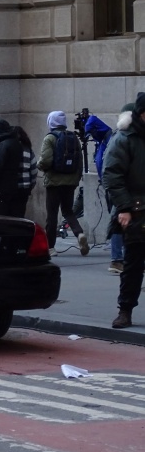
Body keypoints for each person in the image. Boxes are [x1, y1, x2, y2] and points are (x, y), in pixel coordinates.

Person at [102, 92, 145, 329]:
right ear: (141, 114)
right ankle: (125, 309)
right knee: (133, 264)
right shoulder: (124, 139)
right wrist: (124, 207)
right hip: (136, 210)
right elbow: (112, 175)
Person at [38, 110, 88, 257]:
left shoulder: (50, 138)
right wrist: (76, 179)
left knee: (52, 214)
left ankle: (51, 247)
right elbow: (79, 161)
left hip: (54, 182)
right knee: (68, 211)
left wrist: (39, 166)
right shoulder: (73, 137)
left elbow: (46, 161)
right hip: (70, 181)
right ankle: (79, 234)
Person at [86, 110, 125, 274]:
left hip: (116, 188)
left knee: (120, 223)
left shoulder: (111, 138)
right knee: (119, 223)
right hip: (122, 190)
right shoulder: (121, 140)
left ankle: (119, 259)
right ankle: (117, 259)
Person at [14, 125, 38, 219]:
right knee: (20, 212)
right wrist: (31, 185)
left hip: (13, 186)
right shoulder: (28, 150)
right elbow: (34, 170)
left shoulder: (9, 149)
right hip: (25, 186)